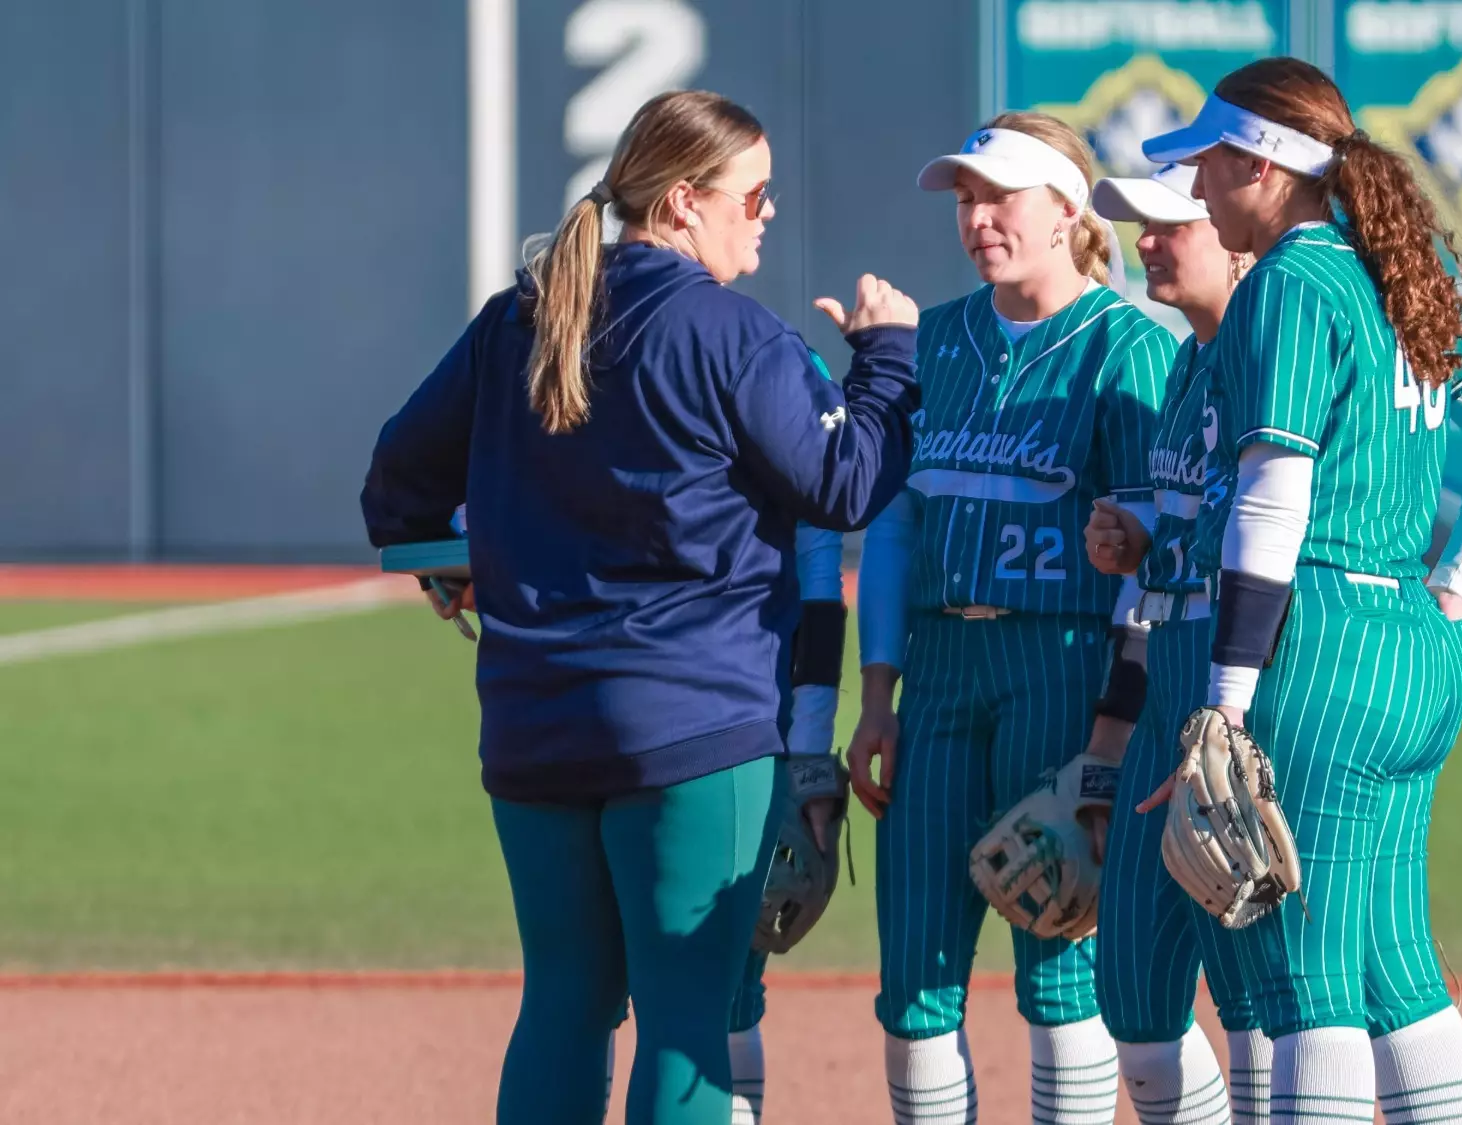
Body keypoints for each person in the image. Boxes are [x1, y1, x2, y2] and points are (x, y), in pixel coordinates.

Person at [360, 89, 921, 1125]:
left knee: (565, 1006)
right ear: (681, 202)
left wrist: (453, 566)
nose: (765, 214)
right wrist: (887, 359)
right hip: (687, 729)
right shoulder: (726, 332)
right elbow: (842, 483)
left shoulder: (517, 320)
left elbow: (395, 481)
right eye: (750, 195)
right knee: (680, 1016)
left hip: (533, 723)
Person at [1132, 57, 1462, 1125]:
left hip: (1316, 649)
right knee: (1390, 972)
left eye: (1209, 166)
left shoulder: (1292, 278)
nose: (1195, 192)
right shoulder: (1392, 270)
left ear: (1266, 168)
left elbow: (1272, 492)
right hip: (1412, 643)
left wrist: (1226, 694)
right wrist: (1452, 585)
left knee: (1304, 989)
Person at [848, 113, 1175, 1125]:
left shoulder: (1127, 347)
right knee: (913, 980)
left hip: (1063, 667)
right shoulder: (933, 341)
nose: (976, 217)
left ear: (1065, 209)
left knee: (1059, 964)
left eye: (999, 196)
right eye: (963, 199)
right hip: (940, 668)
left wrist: (1112, 735)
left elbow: (1153, 563)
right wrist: (875, 696)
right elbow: (893, 529)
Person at [1081, 163, 1275, 1125]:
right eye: (1139, 226)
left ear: (1235, 239)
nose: (1145, 243)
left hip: (1237, 687)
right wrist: (1139, 538)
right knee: (1133, 991)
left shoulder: (1261, 357)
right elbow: (1194, 535)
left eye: (1169, 225)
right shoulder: (1184, 362)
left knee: (1255, 993)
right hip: (1165, 685)